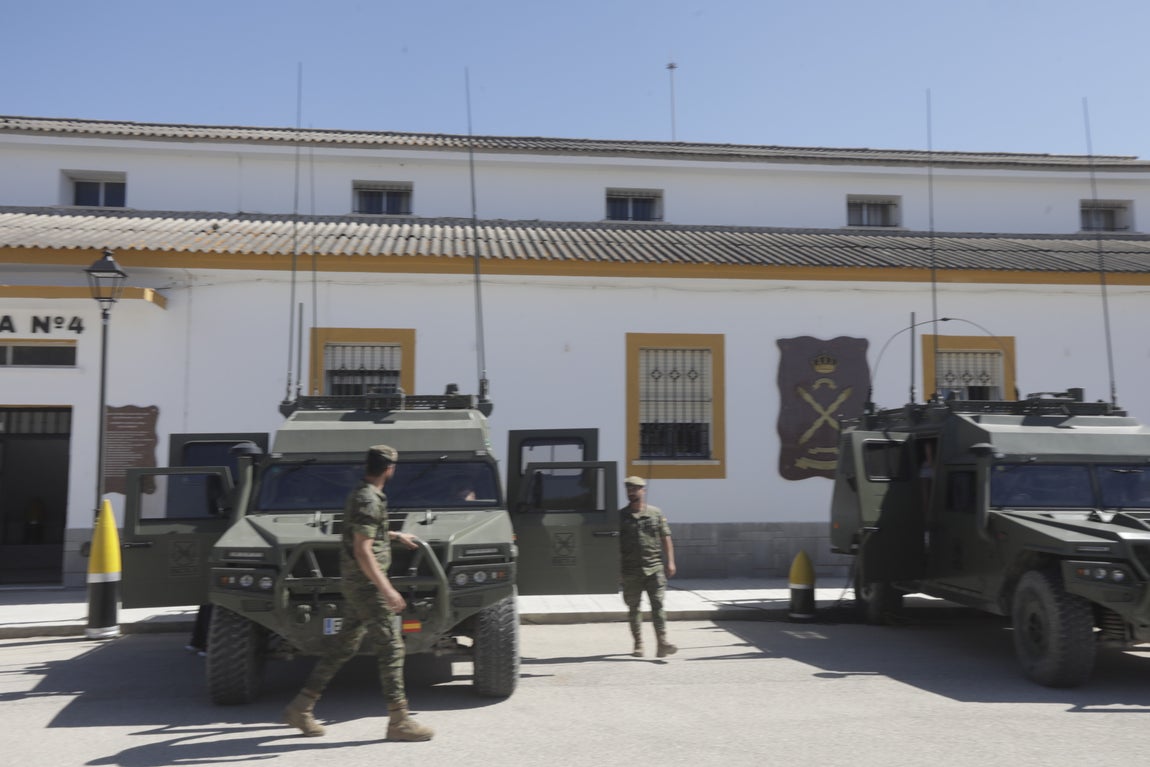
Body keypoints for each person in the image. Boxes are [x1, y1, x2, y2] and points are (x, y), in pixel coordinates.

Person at [282, 444, 435, 741]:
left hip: (355, 585)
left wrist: (394, 535)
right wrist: (387, 589)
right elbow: (362, 549)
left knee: (343, 648)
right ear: (389, 469)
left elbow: (364, 533)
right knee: (392, 648)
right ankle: (399, 721)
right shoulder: (369, 499)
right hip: (367, 587)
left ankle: (300, 708)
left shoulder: (361, 493)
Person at [618, 476, 677, 658]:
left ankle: (662, 642)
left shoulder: (655, 513)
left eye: (635, 489)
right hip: (630, 570)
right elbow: (614, 544)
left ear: (643, 491)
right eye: (629, 489)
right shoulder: (620, 516)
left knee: (658, 605)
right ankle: (638, 643)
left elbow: (665, 537)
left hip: (654, 568)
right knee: (634, 608)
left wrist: (671, 561)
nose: (632, 492)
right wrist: (616, 570)